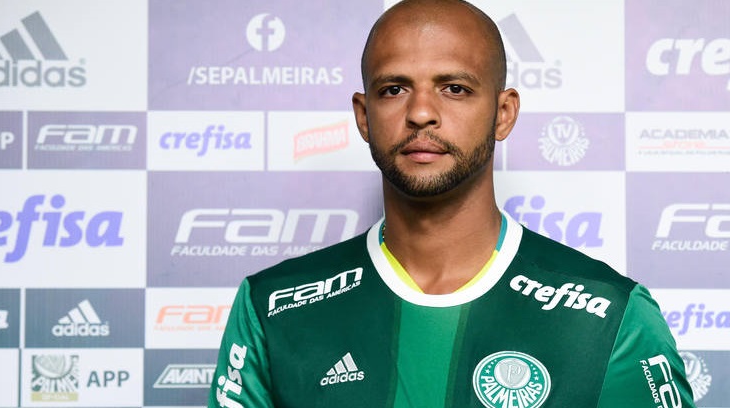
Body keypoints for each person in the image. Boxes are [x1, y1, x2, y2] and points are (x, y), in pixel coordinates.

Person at [210, 1, 695, 407]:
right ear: (364, 116)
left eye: (454, 89)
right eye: (394, 89)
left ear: (503, 114)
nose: (421, 112)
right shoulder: (271, 308)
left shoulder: (610, 317)